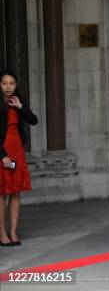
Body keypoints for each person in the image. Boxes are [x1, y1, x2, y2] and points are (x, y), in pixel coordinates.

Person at [0, 70, 38, 247]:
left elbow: (33, 120)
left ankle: (13, 231)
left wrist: (20, 106)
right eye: (4, 83)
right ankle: (2, 234)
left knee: (15, 192)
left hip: (17, 150)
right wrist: (3, 155)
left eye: (11, 83)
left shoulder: (17, 102)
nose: (8, 86)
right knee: (1, 194)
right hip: (2, 151)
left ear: (16, 85)